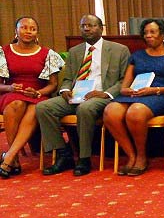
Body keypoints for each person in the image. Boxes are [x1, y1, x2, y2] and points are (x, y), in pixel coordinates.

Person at [36, 14, 130, 176]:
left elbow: (124, 80)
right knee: (43, 107)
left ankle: (84, 158)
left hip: (102, 97)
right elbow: (67, 79)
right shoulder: (75, 51)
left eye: (91, 25)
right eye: (83, 26)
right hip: (76, 95)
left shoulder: (119, 50)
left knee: (85, 108)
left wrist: (105, 93)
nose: (86, 28)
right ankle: (63, 154)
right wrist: (65, 90)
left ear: (101, 28)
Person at [103, 19, 164, 176]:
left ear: (163, 35)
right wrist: (127, 91)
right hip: (136, 93)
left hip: (162, 95)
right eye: (146, 33)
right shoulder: (137, 56)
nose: (148, 35)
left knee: (136, 111)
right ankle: (130, 155)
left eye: (153, 32)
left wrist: (154, 90)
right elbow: (124, 85)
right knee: (110, 111)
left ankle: (141, 156)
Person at [0, 17, 64, 178]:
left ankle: (9, 157)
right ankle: (13, 158)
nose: (28, 31)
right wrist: (10, 87)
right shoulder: (4, 52)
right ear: (16, 30)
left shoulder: (47, 53)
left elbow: (53, 85)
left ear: (37, 33)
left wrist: (39, 93)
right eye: (24, 28)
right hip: (11, 93)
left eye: (32, 29)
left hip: (38, 94)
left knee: (37, 108)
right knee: (16, 104)